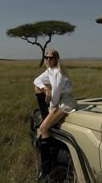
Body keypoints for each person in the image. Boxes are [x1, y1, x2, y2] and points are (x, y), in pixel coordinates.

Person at [34, 49, 77, 181]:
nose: (47, 60)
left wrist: (51, 112)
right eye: (46, 57)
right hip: (58, 100)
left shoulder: (58, 73)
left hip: (65, 103)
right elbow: (36, 80)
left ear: (56, 59)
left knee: (43, 128)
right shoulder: (50, 71)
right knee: (37, 87)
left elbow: (56, 97)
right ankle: (45, 116)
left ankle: (46, 168)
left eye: (50, 58)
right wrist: (46, 89)